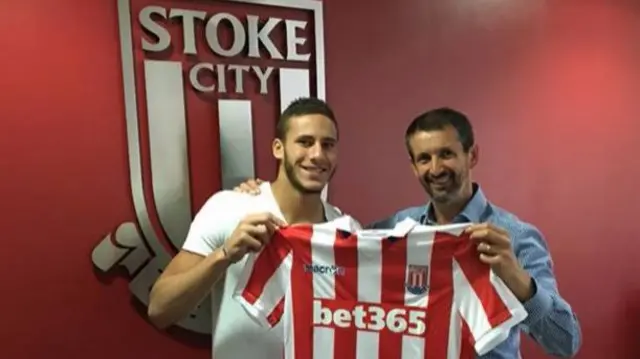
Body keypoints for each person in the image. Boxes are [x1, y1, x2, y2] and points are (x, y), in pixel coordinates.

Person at [233, 107, 582, 358]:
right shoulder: (393, 231)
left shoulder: (513, 237)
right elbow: (334, 255)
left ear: (471, 155)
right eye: (424, 159)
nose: (436, 168)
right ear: (414, 167)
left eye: (446, 154)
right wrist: (264, 193)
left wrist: (516, 279)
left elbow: (566, 342)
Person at [147, 97, 356, 359]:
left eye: (328, 145)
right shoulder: (229, 208)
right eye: (304, 142)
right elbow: (159, 309)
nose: (317, 154)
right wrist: (225, 255)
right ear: (278, 148)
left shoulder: (347, 233)